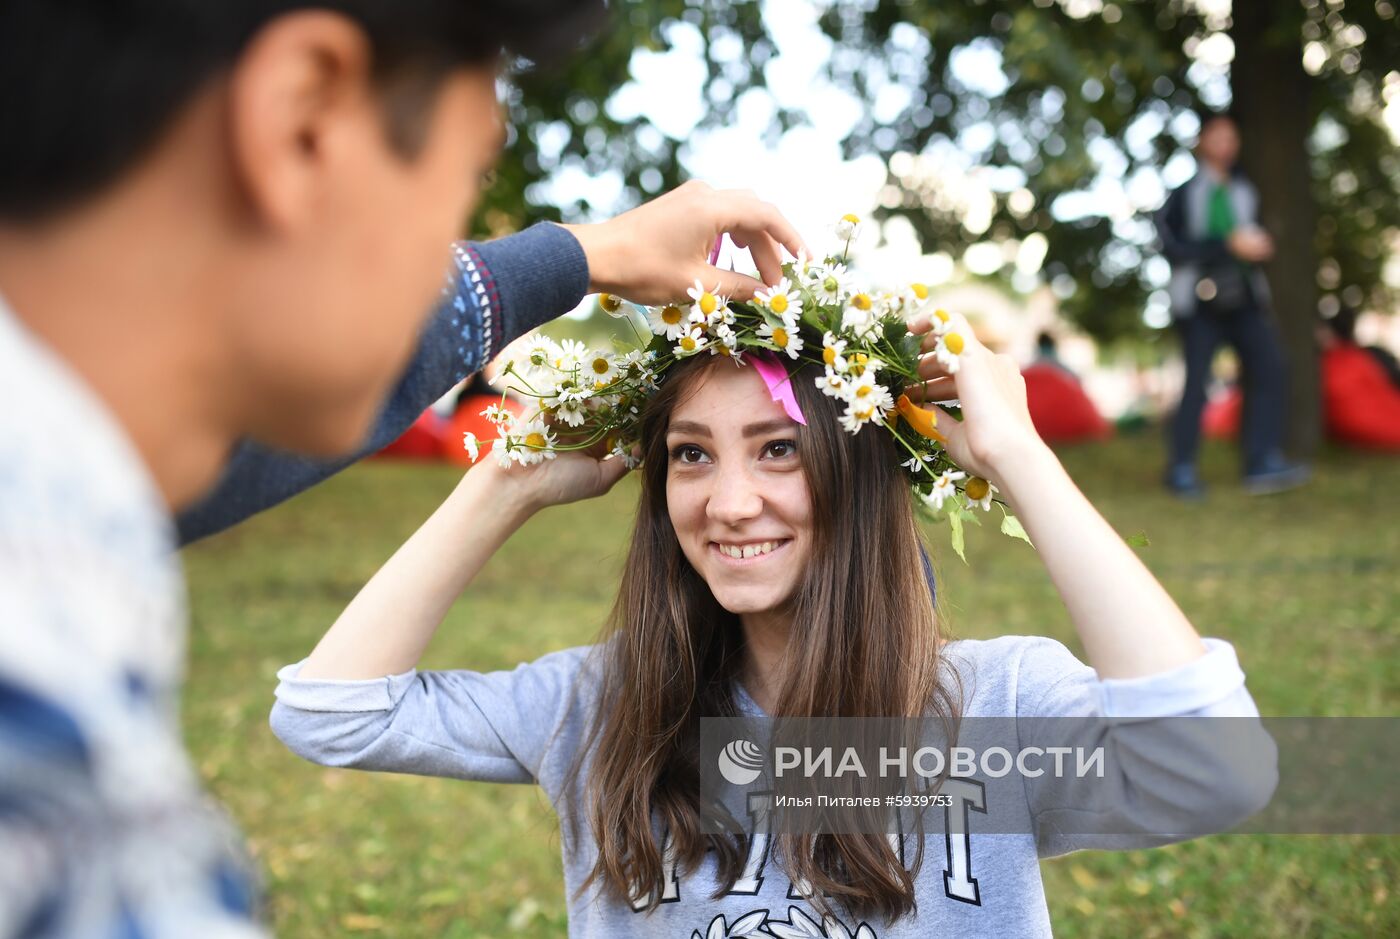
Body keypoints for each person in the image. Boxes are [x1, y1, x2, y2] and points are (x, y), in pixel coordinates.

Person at [0, 2, 808, 935]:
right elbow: (331, 713)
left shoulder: (74, 517)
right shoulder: (37, 676)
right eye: (466, 184)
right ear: (302, 122)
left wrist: (587, 257)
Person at [270, 309, 1276, 936]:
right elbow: (331, 713)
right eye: (691, 454)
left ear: (853, 472)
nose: (728, 501)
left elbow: (1211, 771)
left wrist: (1016, 458)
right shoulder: (602, 706)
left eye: (778, 450)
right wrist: (501, 488)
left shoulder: (991, 705)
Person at [1155, 108, 1310, 499]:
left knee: (1271, 367)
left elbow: (1253, 239)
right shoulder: (1184, 194)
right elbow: (1172, 247)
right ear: (1201, 142)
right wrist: (1226, 245)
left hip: (1243, 298)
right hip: (1201, 300)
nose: (1226, 145)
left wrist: (1258, 247)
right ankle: (1182, 467)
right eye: (1218, 136)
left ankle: (1261, 461)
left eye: (1232, 138)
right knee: (1198, 382)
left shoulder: (1245, 191)